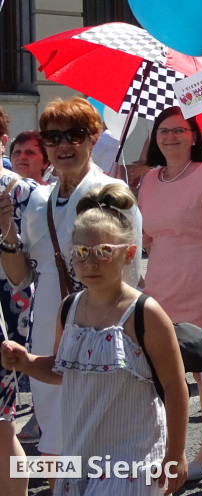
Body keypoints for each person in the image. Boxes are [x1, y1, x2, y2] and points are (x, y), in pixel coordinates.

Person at [1, 183, 189, 496]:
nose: (90, 263)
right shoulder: (70, 308)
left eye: (103, 252)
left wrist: (176, 453)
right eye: (81, 254)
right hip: (81, 455)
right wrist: (26, 362)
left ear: (129, 253)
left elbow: (174, 385)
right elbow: (62, 370)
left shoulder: (144, 313)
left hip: (132, 459)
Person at [1, 98, 143, 463]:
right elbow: (21, 280)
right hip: (48, 326)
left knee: (98, 433)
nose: (64, 145)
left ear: (93, 139)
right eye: (53, 137)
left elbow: (129, 275)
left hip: (99, 326)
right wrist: (7, 235)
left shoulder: (113, 196)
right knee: (54, 435)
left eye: (75, 135)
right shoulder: (38, 201)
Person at [138, 107, 202, 481]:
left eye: (179, 130)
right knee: (161, 371)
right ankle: (165, 447)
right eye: (163, 131)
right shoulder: (148, 181)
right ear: (155, 138)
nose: (171, 137)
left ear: (194, 136)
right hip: (159, 286)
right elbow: (146, 237)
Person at [0, 141, 36, 496]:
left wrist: (6, 226)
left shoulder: (23, 192)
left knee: (2, 428)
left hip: (15, 318)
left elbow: (25, 274)